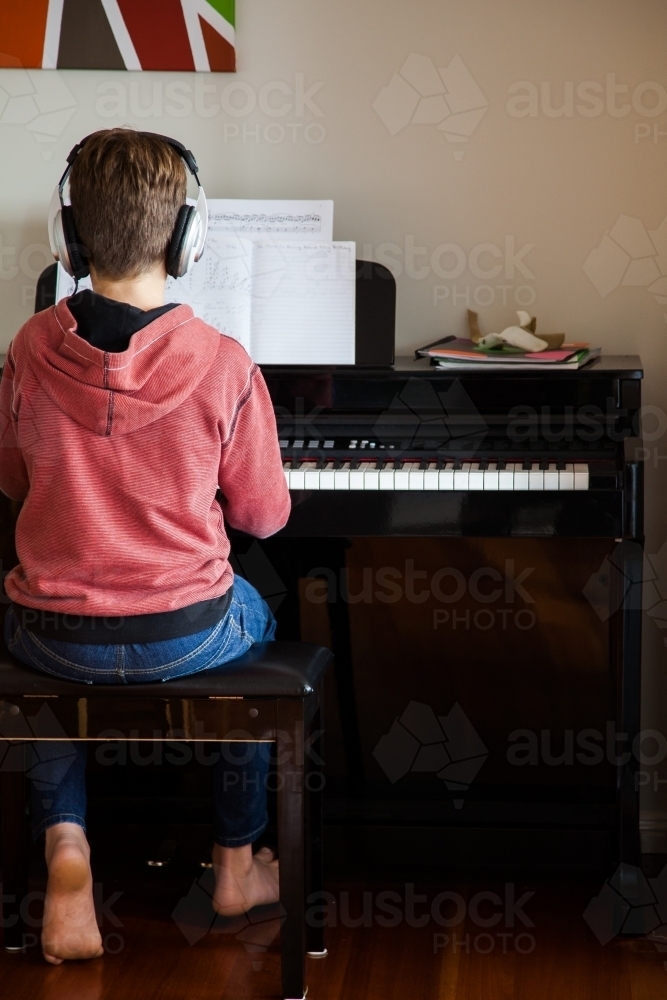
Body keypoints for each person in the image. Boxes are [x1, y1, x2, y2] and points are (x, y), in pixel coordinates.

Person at [0, 129, 291, 965]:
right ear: (186, 238)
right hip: (187, 634)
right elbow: (265, 517)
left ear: (72, 238)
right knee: (258, 614)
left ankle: (68, 849)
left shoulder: (26, 348)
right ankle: (236, 864)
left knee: (42, 657)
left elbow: (14, 482)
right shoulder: (224, 361)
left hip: (52, 631)